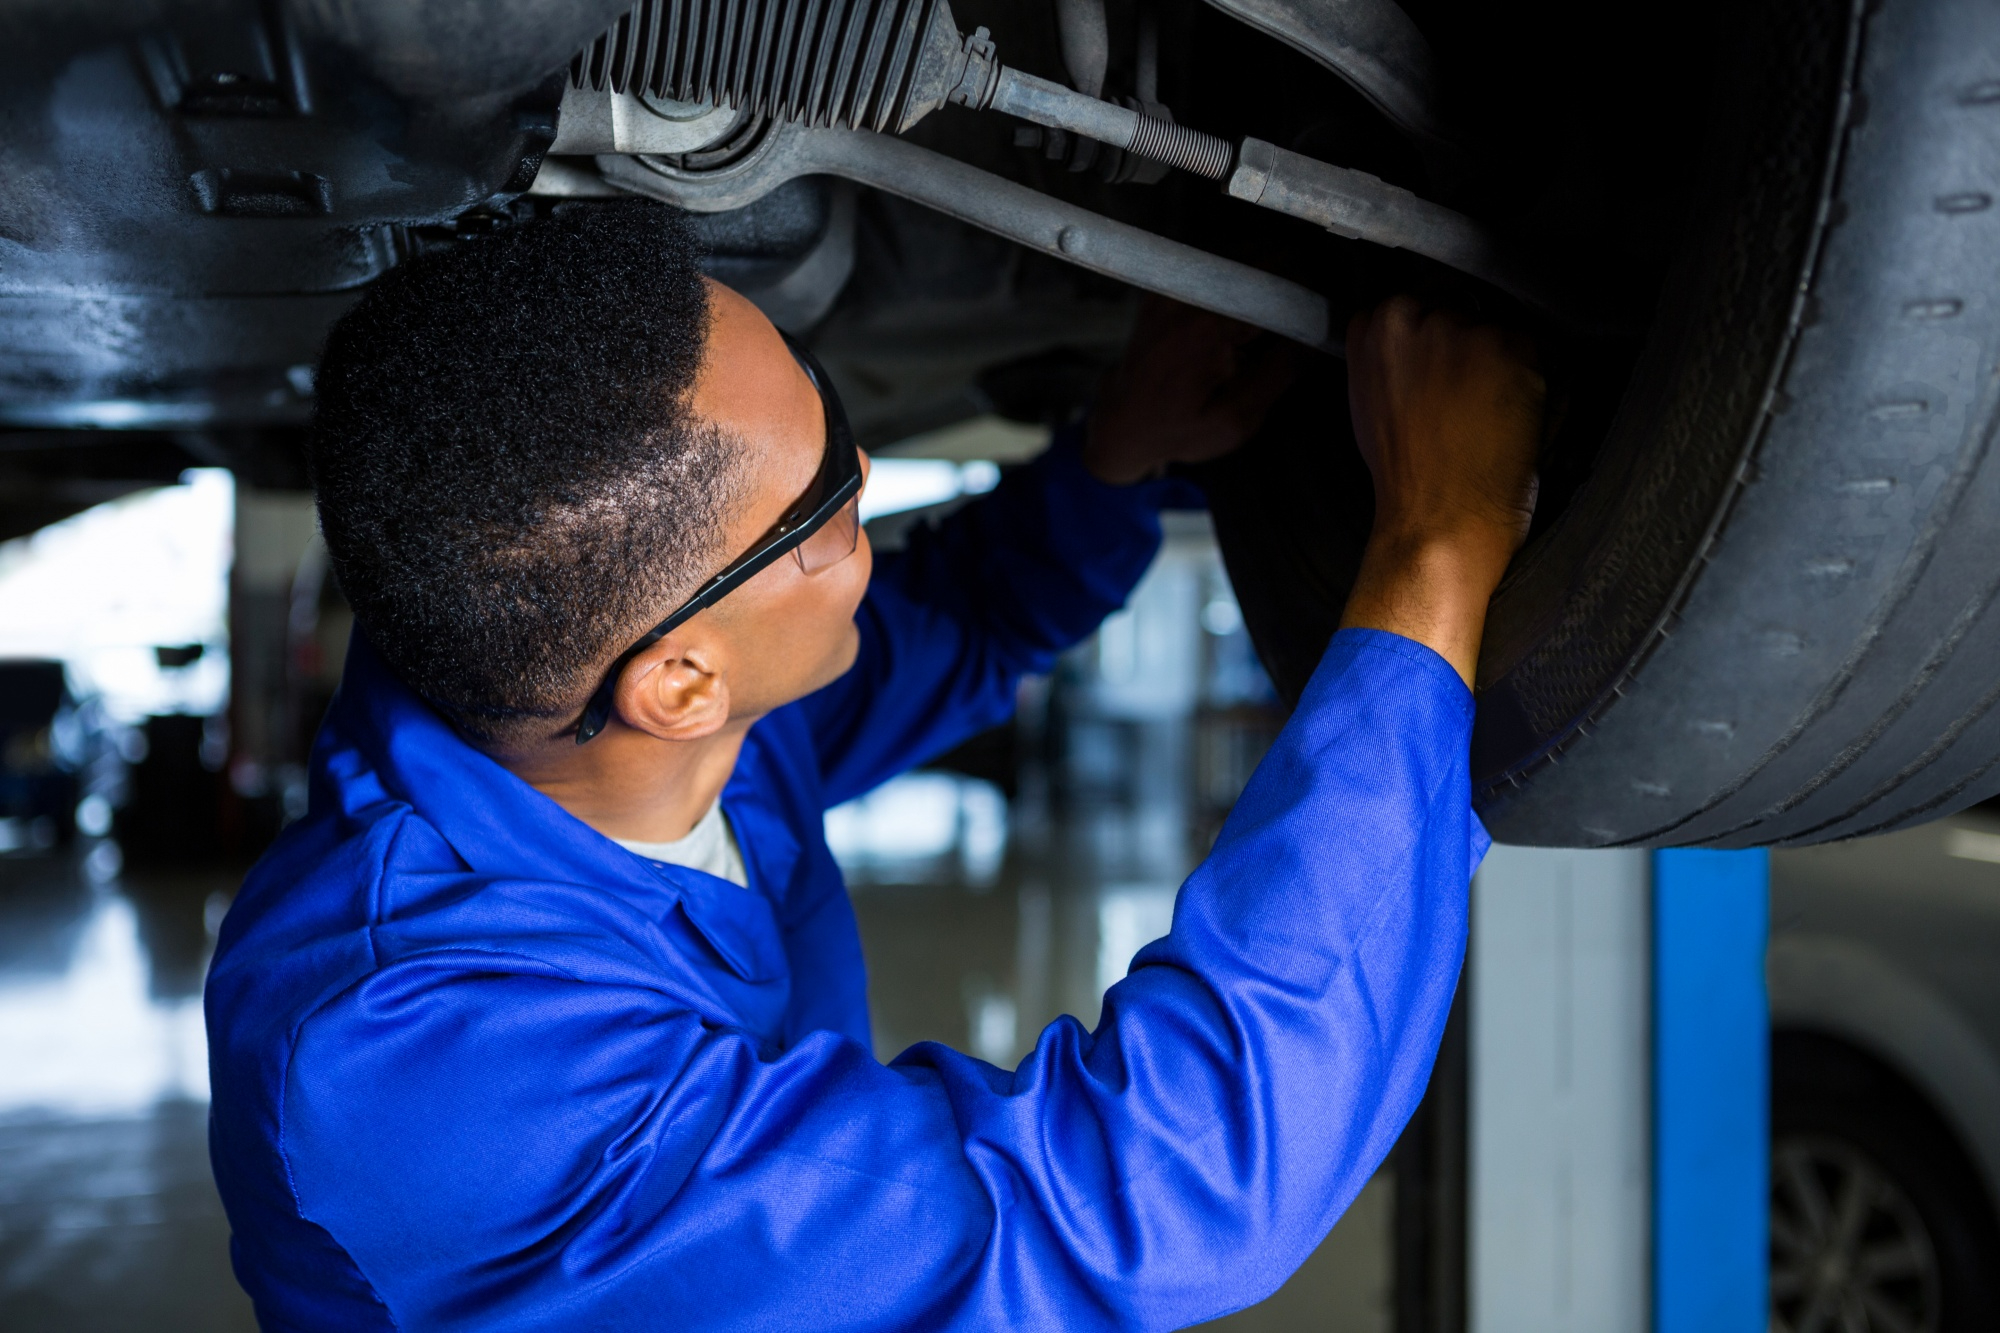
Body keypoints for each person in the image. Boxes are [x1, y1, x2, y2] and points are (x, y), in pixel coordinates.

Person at [206, 202, 1543, 1331]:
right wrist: (1437, 548)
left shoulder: (609, 721)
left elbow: (953, 621)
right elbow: (1161, 1185)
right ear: (678, 680)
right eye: (817, 508)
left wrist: (1118, 447)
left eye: (831, 414)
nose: (867, 473)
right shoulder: (418, 1072)